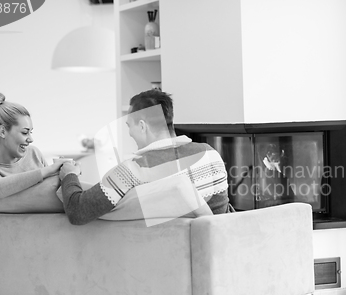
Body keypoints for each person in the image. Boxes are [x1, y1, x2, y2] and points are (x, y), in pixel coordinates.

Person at [59, 89, 231, 225]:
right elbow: (222, 211)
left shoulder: (132, 170)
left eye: (129, 126)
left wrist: (69, 174)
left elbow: (77, 212)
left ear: (142, 126)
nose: (129, 133)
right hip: (216, 251)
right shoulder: (209, 154)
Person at [0, 92, 66, 198]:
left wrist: (65, 173)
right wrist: (49, 170)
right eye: (25, 132)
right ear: (3, 132)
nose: (31, 139)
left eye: (31, 132)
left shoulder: (33, 154)